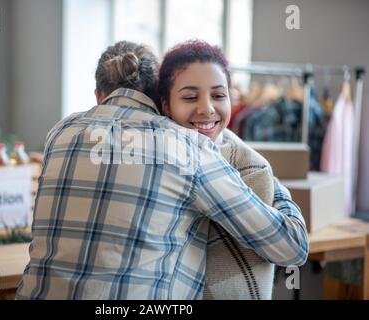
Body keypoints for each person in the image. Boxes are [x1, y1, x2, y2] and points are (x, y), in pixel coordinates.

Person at [16, 40, 308, 300]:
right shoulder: (189, 148)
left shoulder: (61, 132)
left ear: (98, 95)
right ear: (160, 101)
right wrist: (274, 183)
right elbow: (292, 248)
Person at [158, 40, 285, 299]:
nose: (207, 108)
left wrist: (280, 191)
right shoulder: (150, 162)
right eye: (190, 97)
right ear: (166, 105)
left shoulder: (252, 169)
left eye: (218, 95)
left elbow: (289, 249)